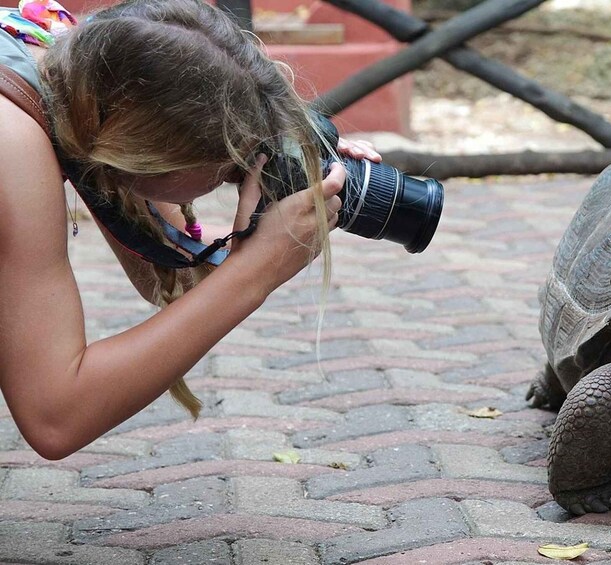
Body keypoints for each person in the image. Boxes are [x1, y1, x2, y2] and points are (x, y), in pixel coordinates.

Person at [0, 0, 380, 459]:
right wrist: (256, 271)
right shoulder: (11, 142)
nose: (235, 167)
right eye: (228, 161)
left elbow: (174, 271)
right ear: (153, 149)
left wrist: (288, 172)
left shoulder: (69, 62)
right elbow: (55, 415)